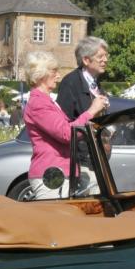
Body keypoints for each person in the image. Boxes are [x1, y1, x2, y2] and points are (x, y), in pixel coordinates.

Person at [23, 51, 109, 199]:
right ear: (41, 74)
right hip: (52, 174)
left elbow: (70, 129)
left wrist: (93, 121)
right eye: (54, 71)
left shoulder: (47, 101)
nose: (58, 76)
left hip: (61, 172)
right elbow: (66, 134)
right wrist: (91, 111)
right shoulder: (39, 103)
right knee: (56, 221)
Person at [57, 36, 109, 193]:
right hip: (81, 161)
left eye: (106, 56)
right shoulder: (70, 83)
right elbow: (64, 124)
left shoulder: (95, 83)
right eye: (100, 56)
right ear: (86, 60)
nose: (105, 60)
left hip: (97, 158)